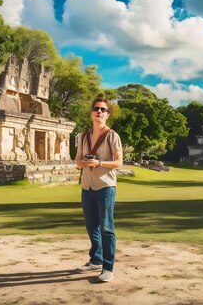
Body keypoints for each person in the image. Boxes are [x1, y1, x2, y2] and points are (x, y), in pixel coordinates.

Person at [75, 96, 123, 282]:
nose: (99, 112)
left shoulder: (112, 135)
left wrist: (100, 162)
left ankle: (108, 267)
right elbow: (77, 160)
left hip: (105, 186)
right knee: (90, 226)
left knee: (106, 228)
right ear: (91, 112)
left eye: (103, 110)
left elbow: (119, 162)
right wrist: (84, 163)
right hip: (87, 186)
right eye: (96, 108)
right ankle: (96, 259)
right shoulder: (83, 136)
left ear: (107, 115)